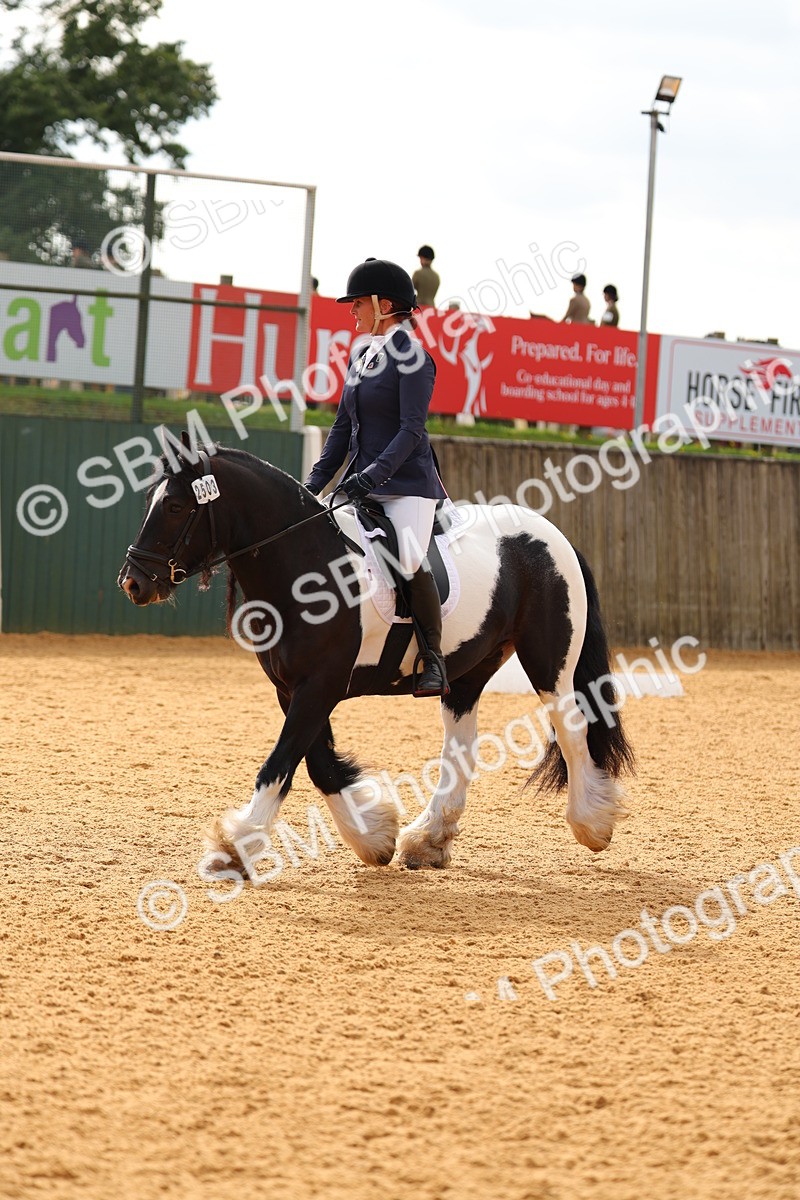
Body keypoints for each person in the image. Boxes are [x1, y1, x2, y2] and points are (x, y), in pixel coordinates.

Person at [304, 257, 449, 697]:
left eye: (358, 303)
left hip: (406, 486)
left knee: (408, 559)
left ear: (384, 305)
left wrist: (371, 476)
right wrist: (311, 485)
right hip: (361, 482)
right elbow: (342, 429)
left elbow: (411, 430)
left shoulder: (414, 356)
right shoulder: (362, 355)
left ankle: (434, 659)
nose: (352, 310)